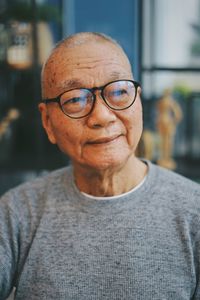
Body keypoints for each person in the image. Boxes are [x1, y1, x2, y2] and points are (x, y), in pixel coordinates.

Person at [0, 32, 200, 300]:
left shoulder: (194, 212)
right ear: (48, 123)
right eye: (74, 99)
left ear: (138, 102)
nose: (102, 116)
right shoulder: (16, 213)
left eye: (118, 91)